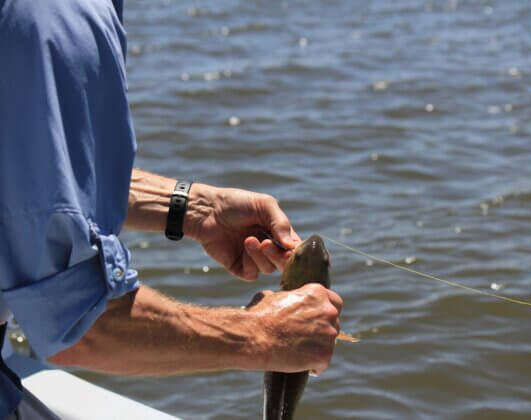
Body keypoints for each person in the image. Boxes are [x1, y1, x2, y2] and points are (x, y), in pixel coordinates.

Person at [0, 0, 343, 417]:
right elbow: (77, 326)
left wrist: (194, 209)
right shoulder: (57, 17)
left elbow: (28, 177)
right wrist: (265, 334)